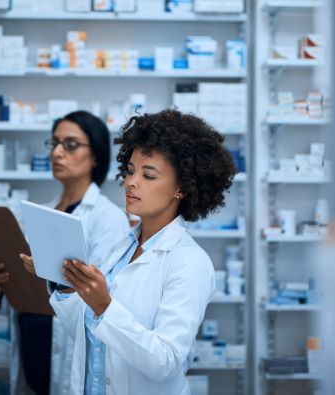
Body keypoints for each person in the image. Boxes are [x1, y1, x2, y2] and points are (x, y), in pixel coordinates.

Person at [45, 109, 236, 394]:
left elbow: (166, 361)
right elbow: (87, 335)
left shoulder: (189, 262)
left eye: (149, 175)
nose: (131, 182)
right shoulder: (121, 247)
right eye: (131, 171)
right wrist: (66, 280)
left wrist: (104, 307)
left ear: (181, 188)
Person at [0, 111, 130, 395]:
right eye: (55, 143)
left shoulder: (107, 218)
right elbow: (30, 285)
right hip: (34, 343)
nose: (58, 152)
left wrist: (53, 275)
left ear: (96, 156)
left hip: (69, 348)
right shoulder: (43, 211)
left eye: (70, 144)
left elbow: (104, 297)